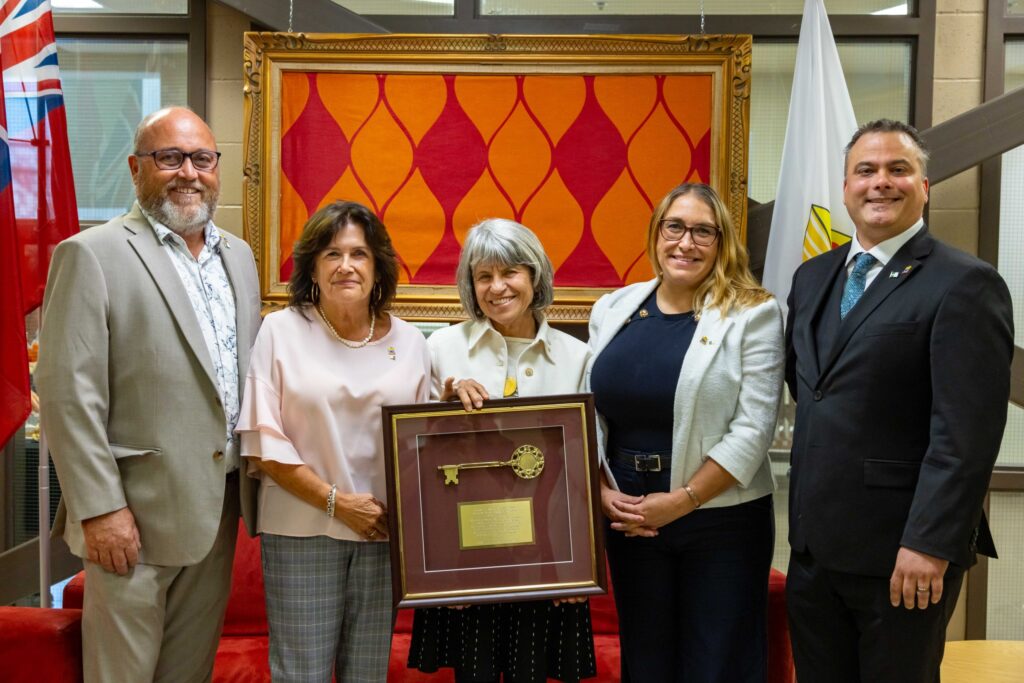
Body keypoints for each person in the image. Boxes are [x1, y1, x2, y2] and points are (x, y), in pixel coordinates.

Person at [36, 106, 262, 682]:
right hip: (130, 522)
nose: (189, 172)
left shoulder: (239, 257)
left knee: (188, 674)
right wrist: (100, 510)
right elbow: (68, 397)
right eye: (170, 158)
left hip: (217, 513)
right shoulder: (92, 254)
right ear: (137, 169)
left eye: (202, 159)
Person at [784, 119, 1014, 683]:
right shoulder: (812, 277)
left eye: (898, 169)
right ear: (846, 188)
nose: (880, 182)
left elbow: (965, 435)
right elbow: (811, 389)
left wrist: (929, 543)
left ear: (924, 187)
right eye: (865, 170)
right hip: (814, 551)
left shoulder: (965, 283)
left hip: (903, 555)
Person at [587, 183, 784, 681]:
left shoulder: (754, 314)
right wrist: (602, 492)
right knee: (647, 664)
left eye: (703, 232)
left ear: (722, 243)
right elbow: (591, 413)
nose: (686, 242)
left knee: (717, 667)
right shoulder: (613, 308)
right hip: (631, 518)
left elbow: (753, 430)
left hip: (721, 522)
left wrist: (682, 501)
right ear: (656, 233)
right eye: (674, 227)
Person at [235, 200, 430, 682]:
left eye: (359, 254)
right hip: (302, 529)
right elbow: (264, 440)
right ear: (313, 267)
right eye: (332, 254)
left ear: (377, 266)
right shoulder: (280, 330)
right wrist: (337, 504)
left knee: (368, 674)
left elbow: (423, 444)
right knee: (301, 674)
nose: (346, 266)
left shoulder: (411, 342)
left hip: (381, 533)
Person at [407, 218, 597, 683]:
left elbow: (583, 469)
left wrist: (579, 564)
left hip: (548, 557)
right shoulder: (440, 349)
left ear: (534, 275)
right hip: (466, 558)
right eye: (483, 276)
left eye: (510, 272)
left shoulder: (577, 357)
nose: (497, 287)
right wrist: (443, 408)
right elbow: (419, 465)